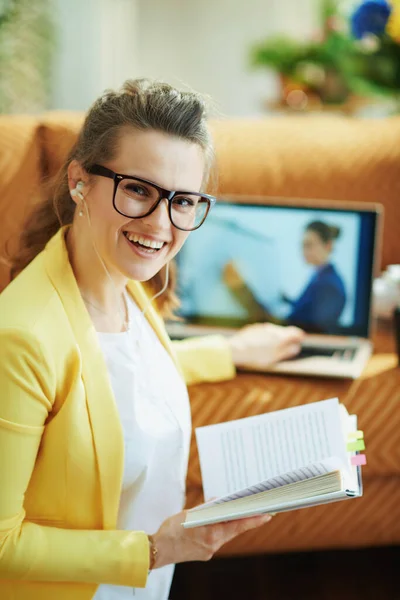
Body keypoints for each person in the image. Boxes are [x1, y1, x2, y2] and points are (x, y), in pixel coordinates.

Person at [0, 78, 304, 600]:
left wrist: (229, 351)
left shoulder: (124, 284)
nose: (161, 224)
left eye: (182, 200)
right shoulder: (20, 340)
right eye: (138, 189)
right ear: (79, 180)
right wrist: (157, 549)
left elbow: (111, 380)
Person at [283, 220, 346, 332]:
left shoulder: (329, 285)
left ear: (328, 246)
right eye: (302, 246)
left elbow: (309, 324)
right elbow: (306, 306)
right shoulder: (319, 275)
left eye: (309, 245)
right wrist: (287, 300)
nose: (304, 251)